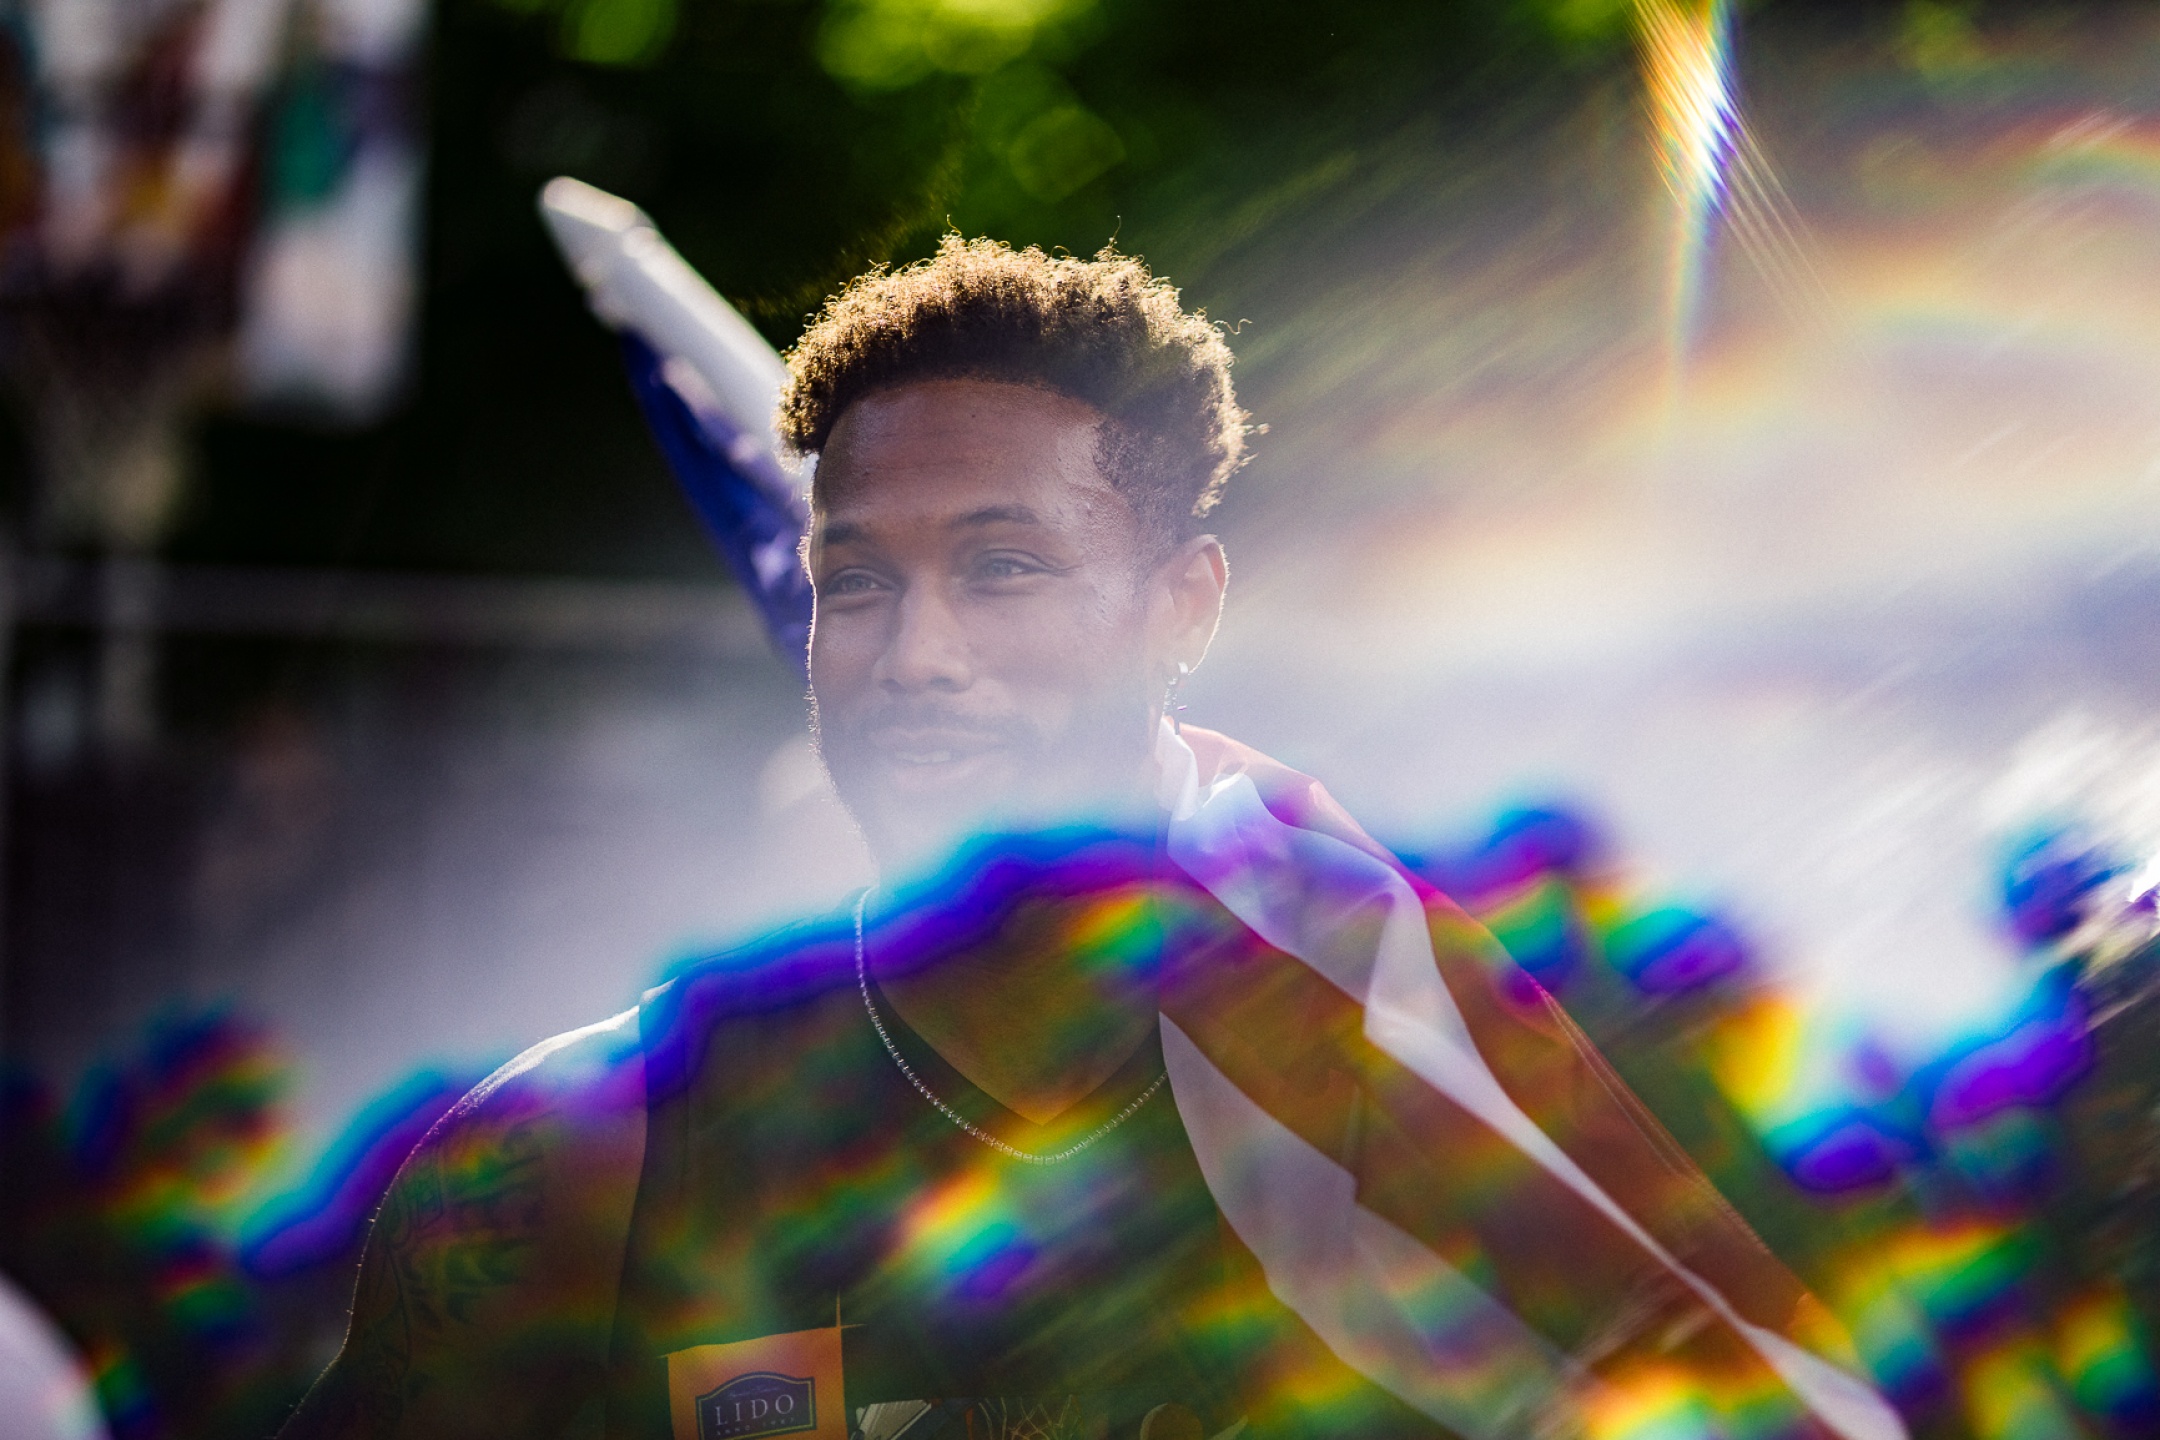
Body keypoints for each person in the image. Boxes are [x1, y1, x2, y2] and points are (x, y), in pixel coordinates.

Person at [279, 238, 1900, 1440]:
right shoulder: (587, 1153)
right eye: (860, 582)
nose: (916, 654)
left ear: (1183, 606)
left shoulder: (1396, 1083)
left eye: (1005, 569)